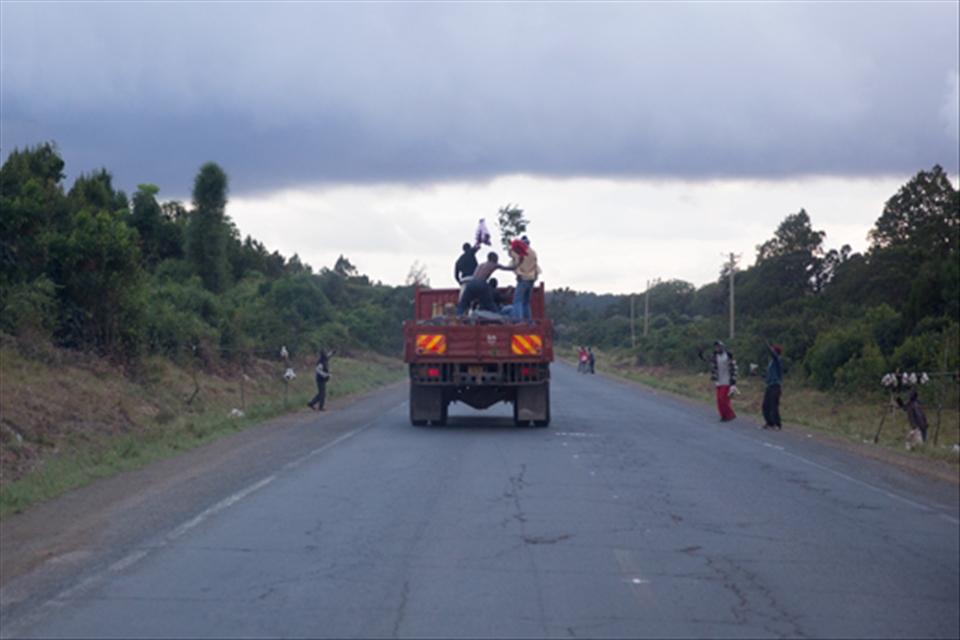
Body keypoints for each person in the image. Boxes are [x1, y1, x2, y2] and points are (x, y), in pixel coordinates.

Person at [698, 341, 738, 421]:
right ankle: (723, 415)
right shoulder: (715, 356)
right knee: (719, 400)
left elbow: (734, 368)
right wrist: (700, 354)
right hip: (718, 380)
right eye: (716, 347)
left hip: (727, 380)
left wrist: (733, 381)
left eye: (719, 346)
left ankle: (730, 414)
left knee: (723, 398)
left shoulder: (728, 355)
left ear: (723, 347)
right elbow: (706, 358)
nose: (718, 348)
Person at [508, 236, 541, 319]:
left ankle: (519, 320)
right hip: (531, 279)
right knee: (526, 302)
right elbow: (536, 266)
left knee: (517, 301)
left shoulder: (518, 252)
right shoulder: (533, 253)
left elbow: (514, 264)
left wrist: (518, 274)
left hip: (523, 279)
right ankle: (530, 322)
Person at [760, 336, 783, 430]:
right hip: (769, 385)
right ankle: (769, 422)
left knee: (774, 406)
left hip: (775, 386)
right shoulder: (771, 363)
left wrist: (766, 343)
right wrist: (758, 374)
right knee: (765, 405)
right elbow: (769, 374)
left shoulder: (777, 360)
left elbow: (773, 354)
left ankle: (777, 424)